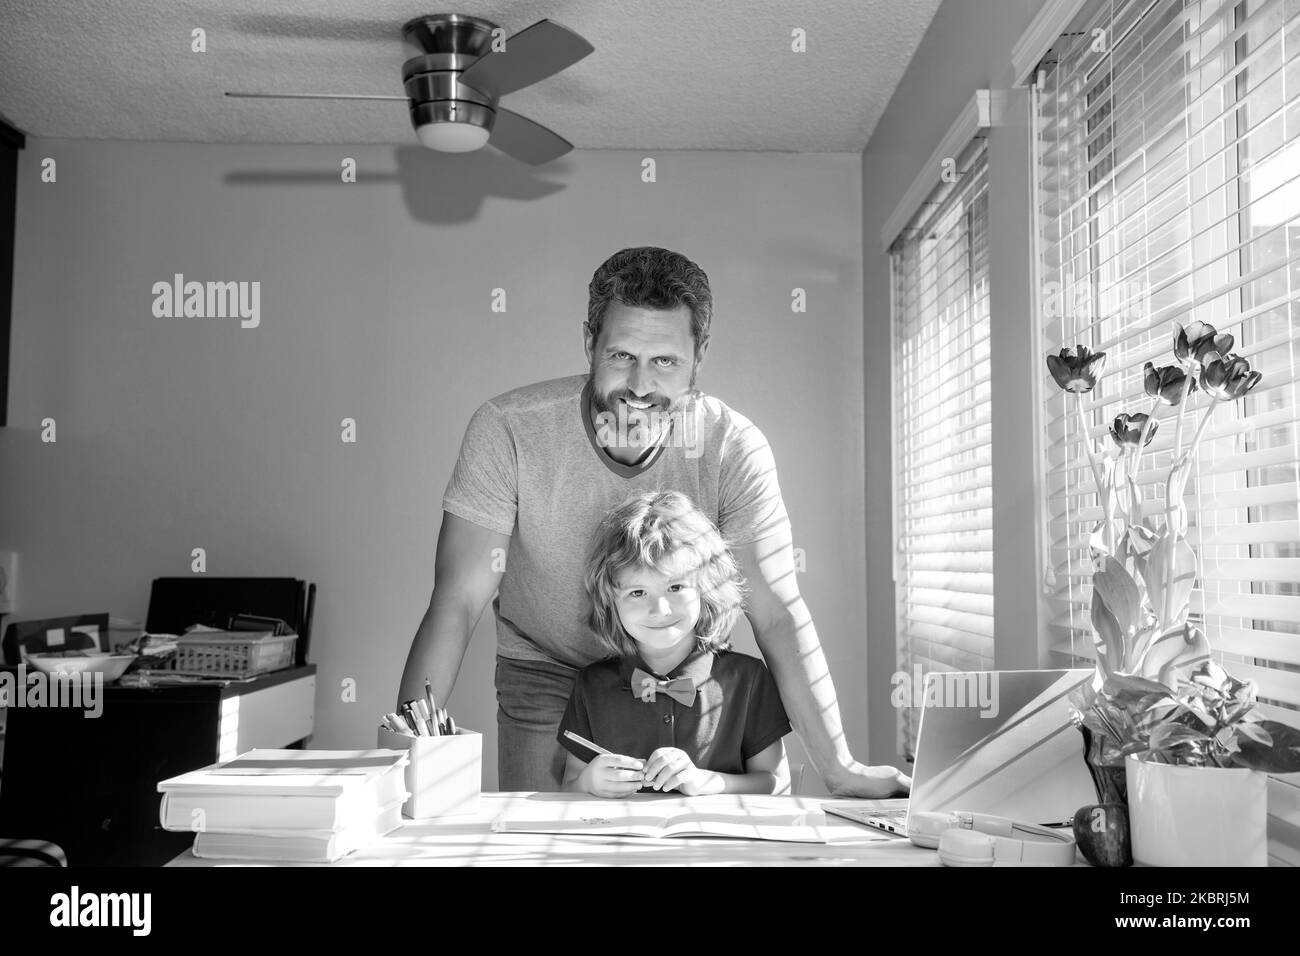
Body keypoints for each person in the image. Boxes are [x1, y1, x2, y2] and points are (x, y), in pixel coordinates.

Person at [399, 245, 909, 798]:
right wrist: (401, 756)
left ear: (700, 354)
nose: (640, 385)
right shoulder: (507, 430)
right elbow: (457, 599)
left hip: (680, 668)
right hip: (546, 667)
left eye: (665, 361)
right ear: (589, 342)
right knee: (544, 838)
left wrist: (839, 770)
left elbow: (777, 610)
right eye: (622, 355)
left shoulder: (731, 446)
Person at [560, 491, 789, 798]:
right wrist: (588, 782)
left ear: (706, 587)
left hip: (719, 844)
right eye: (638, 593)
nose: (660, 609)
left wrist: (711, 782)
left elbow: (777, 784)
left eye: (675, 587)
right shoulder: (591, 685)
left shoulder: (748, 680)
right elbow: (568, 788)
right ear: (609, 602)